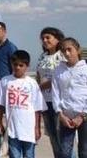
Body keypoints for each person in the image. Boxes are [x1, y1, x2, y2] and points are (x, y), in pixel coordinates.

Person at [0, 50, 44, 158]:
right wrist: (0, 123)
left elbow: (37, 108)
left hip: (28, 130)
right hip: (12, 129)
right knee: (15, 155)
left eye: (21, 65)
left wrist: (37, 128)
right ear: (11, 64)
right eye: (15, 64)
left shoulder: (32, 83)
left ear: (27, 66)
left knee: (29, 155)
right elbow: (0, 104)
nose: (17, 67)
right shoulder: (5, 81)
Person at [51, 37, 87, 158]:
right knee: (65, 152)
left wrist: (82, 115)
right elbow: (55, 93)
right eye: (63, 50)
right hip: (66, 117)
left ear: (78, 50)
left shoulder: (85, 68)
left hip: (84, 116)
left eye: (69, 49)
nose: (66, 53)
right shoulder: (58, 70)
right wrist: (60, 114)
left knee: (84, 151)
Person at [36, 27, 64, 158]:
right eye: (43, 38)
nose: (45, 40)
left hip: (59, 102)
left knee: (63, 139)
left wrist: (42, 86)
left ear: (57, 39)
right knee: (52, 137)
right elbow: (38, 75)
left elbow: (61, 77)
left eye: (48, 37)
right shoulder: (43, 56)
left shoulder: (62, 55)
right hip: (45, 101)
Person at [0, 22, 18, 146]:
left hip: (8, 88)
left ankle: (11, 143)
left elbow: (16, 69)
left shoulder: (11, 48)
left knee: (10, 117)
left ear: (4, 32)